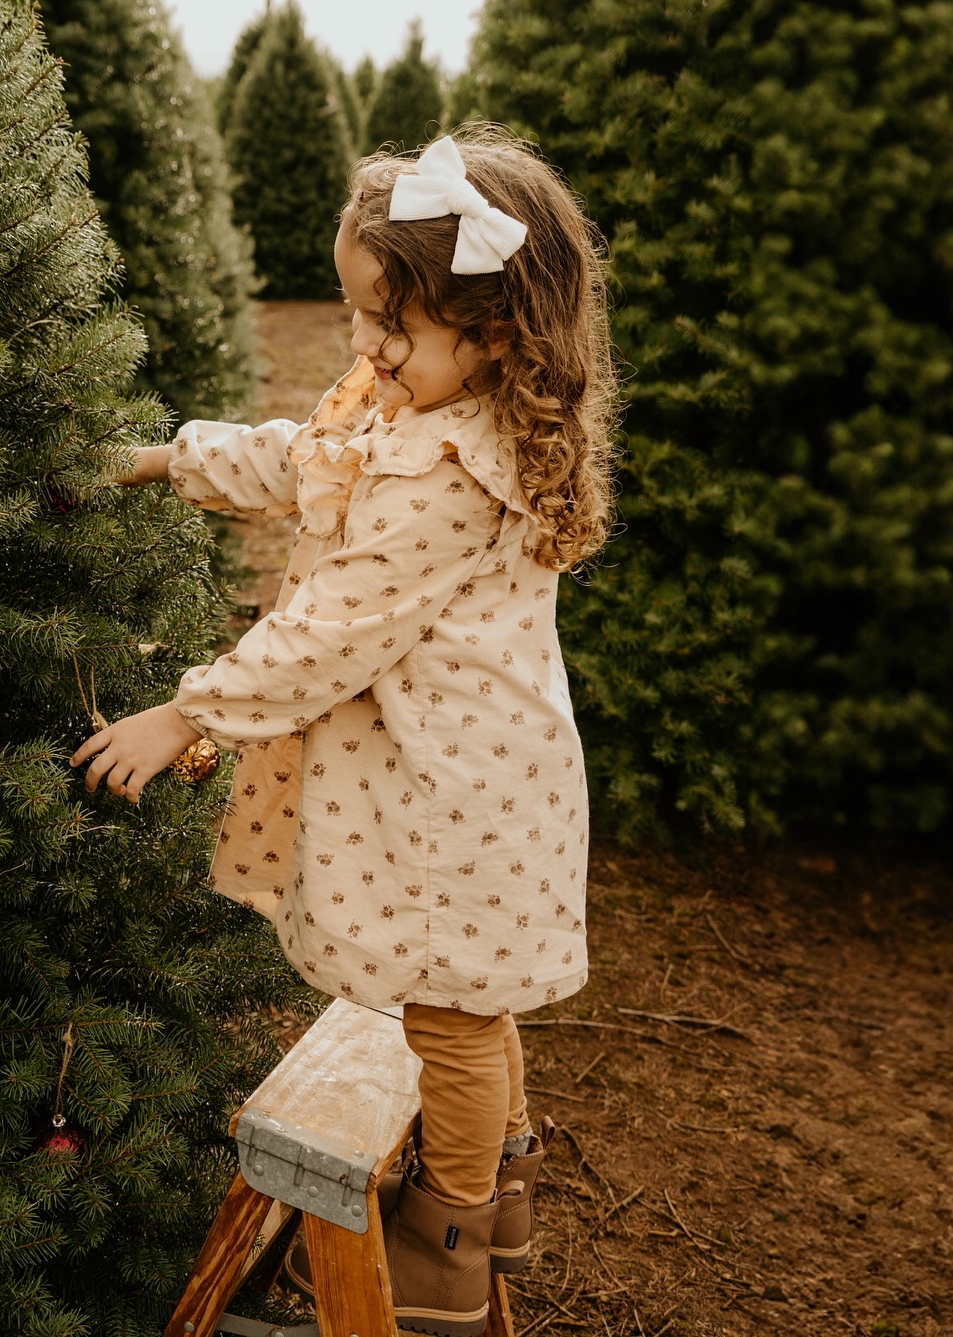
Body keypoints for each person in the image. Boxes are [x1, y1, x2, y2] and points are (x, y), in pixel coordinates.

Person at [72, 127, 618, 1337]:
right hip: (472, 775)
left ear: (495, 334)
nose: (365, 349)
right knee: (473, 998)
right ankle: (500, 1187)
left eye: (393, 327)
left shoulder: (452, 473)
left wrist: (185, 711)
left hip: (451, 799)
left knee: (451, 1013)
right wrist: (168, 460)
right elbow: (306, 460)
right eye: (359, 315)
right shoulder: (413, 410)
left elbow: (330, 632)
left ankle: (449, 1246)